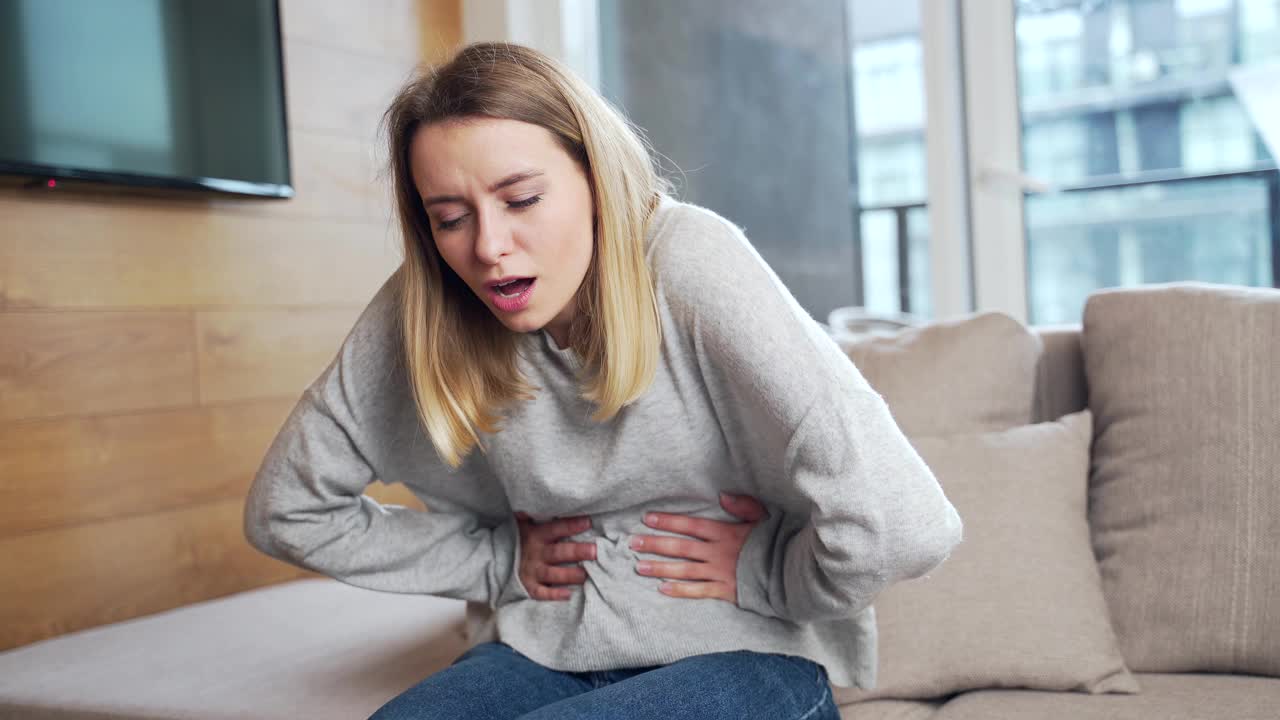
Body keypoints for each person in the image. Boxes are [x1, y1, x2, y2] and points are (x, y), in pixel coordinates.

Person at [242, 41, 963, 720]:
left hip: (753, 661)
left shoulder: (688, 259)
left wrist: (771, 574)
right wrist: (494, 561)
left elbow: (907, 525)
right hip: (546, 649)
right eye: (450, 217)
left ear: (596, 179)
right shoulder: (429, 298)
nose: (488, 247)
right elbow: (287, 509)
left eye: (521, 199)